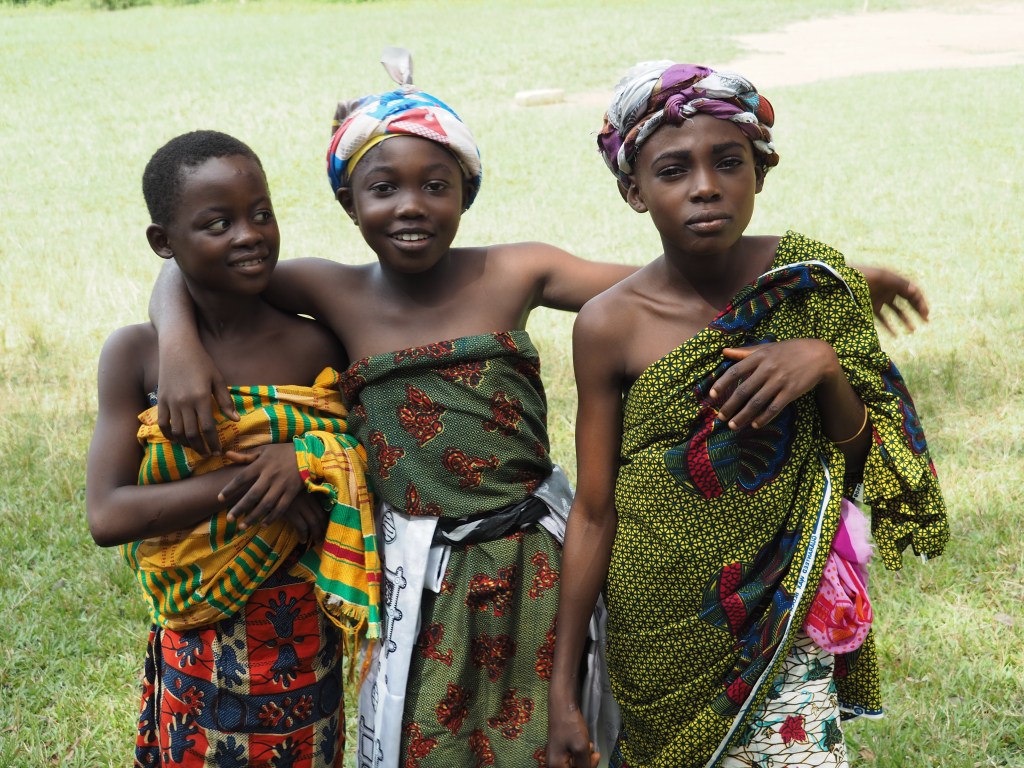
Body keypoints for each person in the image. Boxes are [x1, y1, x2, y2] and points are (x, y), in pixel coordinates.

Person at [147, 53, 932, 768]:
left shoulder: (515, 270)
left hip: (532, 556)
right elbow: (209, 263)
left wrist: (832, 279)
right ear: (349, 202)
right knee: (423, 735)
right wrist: (176, 338)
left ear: (467, 190)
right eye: (384, 189)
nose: (412, 206)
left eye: (436, 184)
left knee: (549, 735)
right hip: (416, 571)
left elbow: (668, 280)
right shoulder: (332, 289)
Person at [546, 62, 949, 768]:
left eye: (728, 162)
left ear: (761, 171)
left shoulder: (807, 285)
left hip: (779, 608)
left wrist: (823, 364)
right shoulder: (609, 324)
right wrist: (561, 691)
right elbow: (594, 511)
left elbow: (858, 462)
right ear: (634, 191)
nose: (705, 186)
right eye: (673, 170)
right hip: (656, 628)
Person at [86, 130, 380, 768]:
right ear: (164, 242)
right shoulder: (136, 355)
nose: (250, 235)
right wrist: (258, 487)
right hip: (197, 642)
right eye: (218, 223)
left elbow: (365, 461)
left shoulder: (316, 346)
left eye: (262, 214)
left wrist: (302, 465)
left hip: (304, 638)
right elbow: (107, 515)